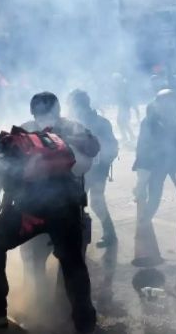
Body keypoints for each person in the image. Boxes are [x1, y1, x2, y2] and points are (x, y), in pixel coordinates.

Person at [0, 92, 99, 332]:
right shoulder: (43, 141)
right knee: (73, 264)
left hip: (32, 213)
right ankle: (85, 322)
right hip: (68, 208)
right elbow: (85, 162)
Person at [131, 89, 176, 267]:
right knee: (153, 198)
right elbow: (143, 145)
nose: (168, 105)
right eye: (164, 102)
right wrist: (142, 172)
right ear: (158, 103)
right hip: (157, 165)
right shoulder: (150, 120)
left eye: (171, 101)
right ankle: (144, 237)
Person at [67, 89, 119, 248]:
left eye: (71, 105)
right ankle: (103, 234)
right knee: (80, 204)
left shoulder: (98, 123)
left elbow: (112, 147)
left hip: (94, 171)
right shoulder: (73, 123)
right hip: (79, 171)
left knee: (90, 202)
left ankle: (97, 236)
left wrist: (101, 163)